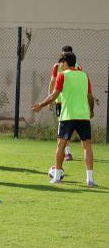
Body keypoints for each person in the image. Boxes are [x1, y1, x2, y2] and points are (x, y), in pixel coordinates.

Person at [32, 52, 95, 187]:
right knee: (87, 147)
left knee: (61, 145)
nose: (61, 65)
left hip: (67, 116)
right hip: (83, 116)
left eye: (61, 62)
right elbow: (90, 96)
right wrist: (92, 110)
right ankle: (90, 180)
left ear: (65, 62)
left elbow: (54, 95)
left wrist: (41, 105)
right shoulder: (84, 75)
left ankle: (56, 177)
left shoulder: (62, 75)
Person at [48, 45, 82, 160]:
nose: (62, 59)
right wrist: (50, 98)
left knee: (64, 129)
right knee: (67, 128)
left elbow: (53, 83)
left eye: (64, 57)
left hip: (67, 102)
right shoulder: (57, 66)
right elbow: (52, 82)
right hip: (62, 101)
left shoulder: (76, 67)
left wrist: (49, 100)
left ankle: (66, 153)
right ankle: (67, 152)